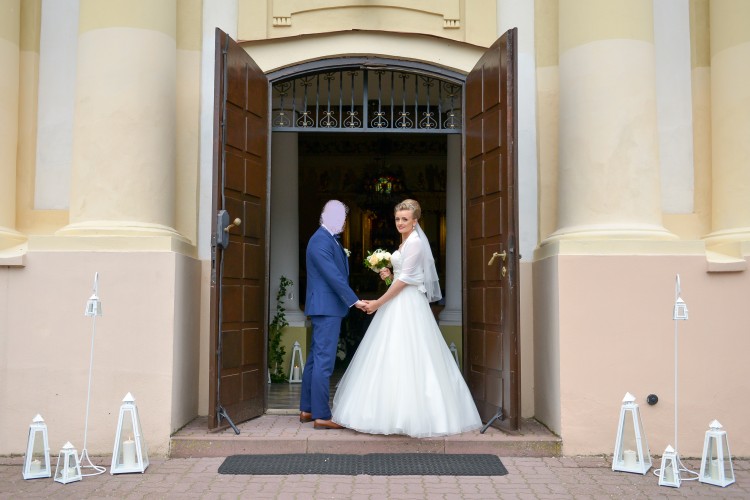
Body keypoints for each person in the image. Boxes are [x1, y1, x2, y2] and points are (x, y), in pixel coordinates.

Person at [331, 199, 482, 437]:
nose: (400, 223)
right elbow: (401, 279)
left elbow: (404, 282)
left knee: (412, 353)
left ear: (415, 221)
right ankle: (386, 413)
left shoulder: (416, 243)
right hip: (399, 301)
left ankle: (414, 416)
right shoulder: (404, 243)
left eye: (405, 219)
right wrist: (388, 276)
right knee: (389, 351)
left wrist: (378, 303)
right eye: (397, 219)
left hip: (408, 304)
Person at [300, 200, 367, 430]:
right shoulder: (320, 240)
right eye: (338, 217)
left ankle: (307, 409)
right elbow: (332, 275)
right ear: (325, 216)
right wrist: (354, 300)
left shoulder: (329, 239)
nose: (342, 222)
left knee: (315, 359)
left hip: (325, 306)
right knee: (324, 361)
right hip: (326, 307)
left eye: (343, 218)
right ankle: (321, 415)